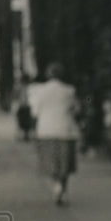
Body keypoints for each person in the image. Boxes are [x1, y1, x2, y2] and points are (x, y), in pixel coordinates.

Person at [31, 62, 81, 205]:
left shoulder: (39, 90)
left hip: (46, 130)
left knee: (50, 161)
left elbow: (35, 112)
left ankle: (56, 185)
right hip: (65, 130)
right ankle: (63, 189)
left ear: (48, 74)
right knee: (64, 162)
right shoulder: (69, 90)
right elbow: (76, 109)